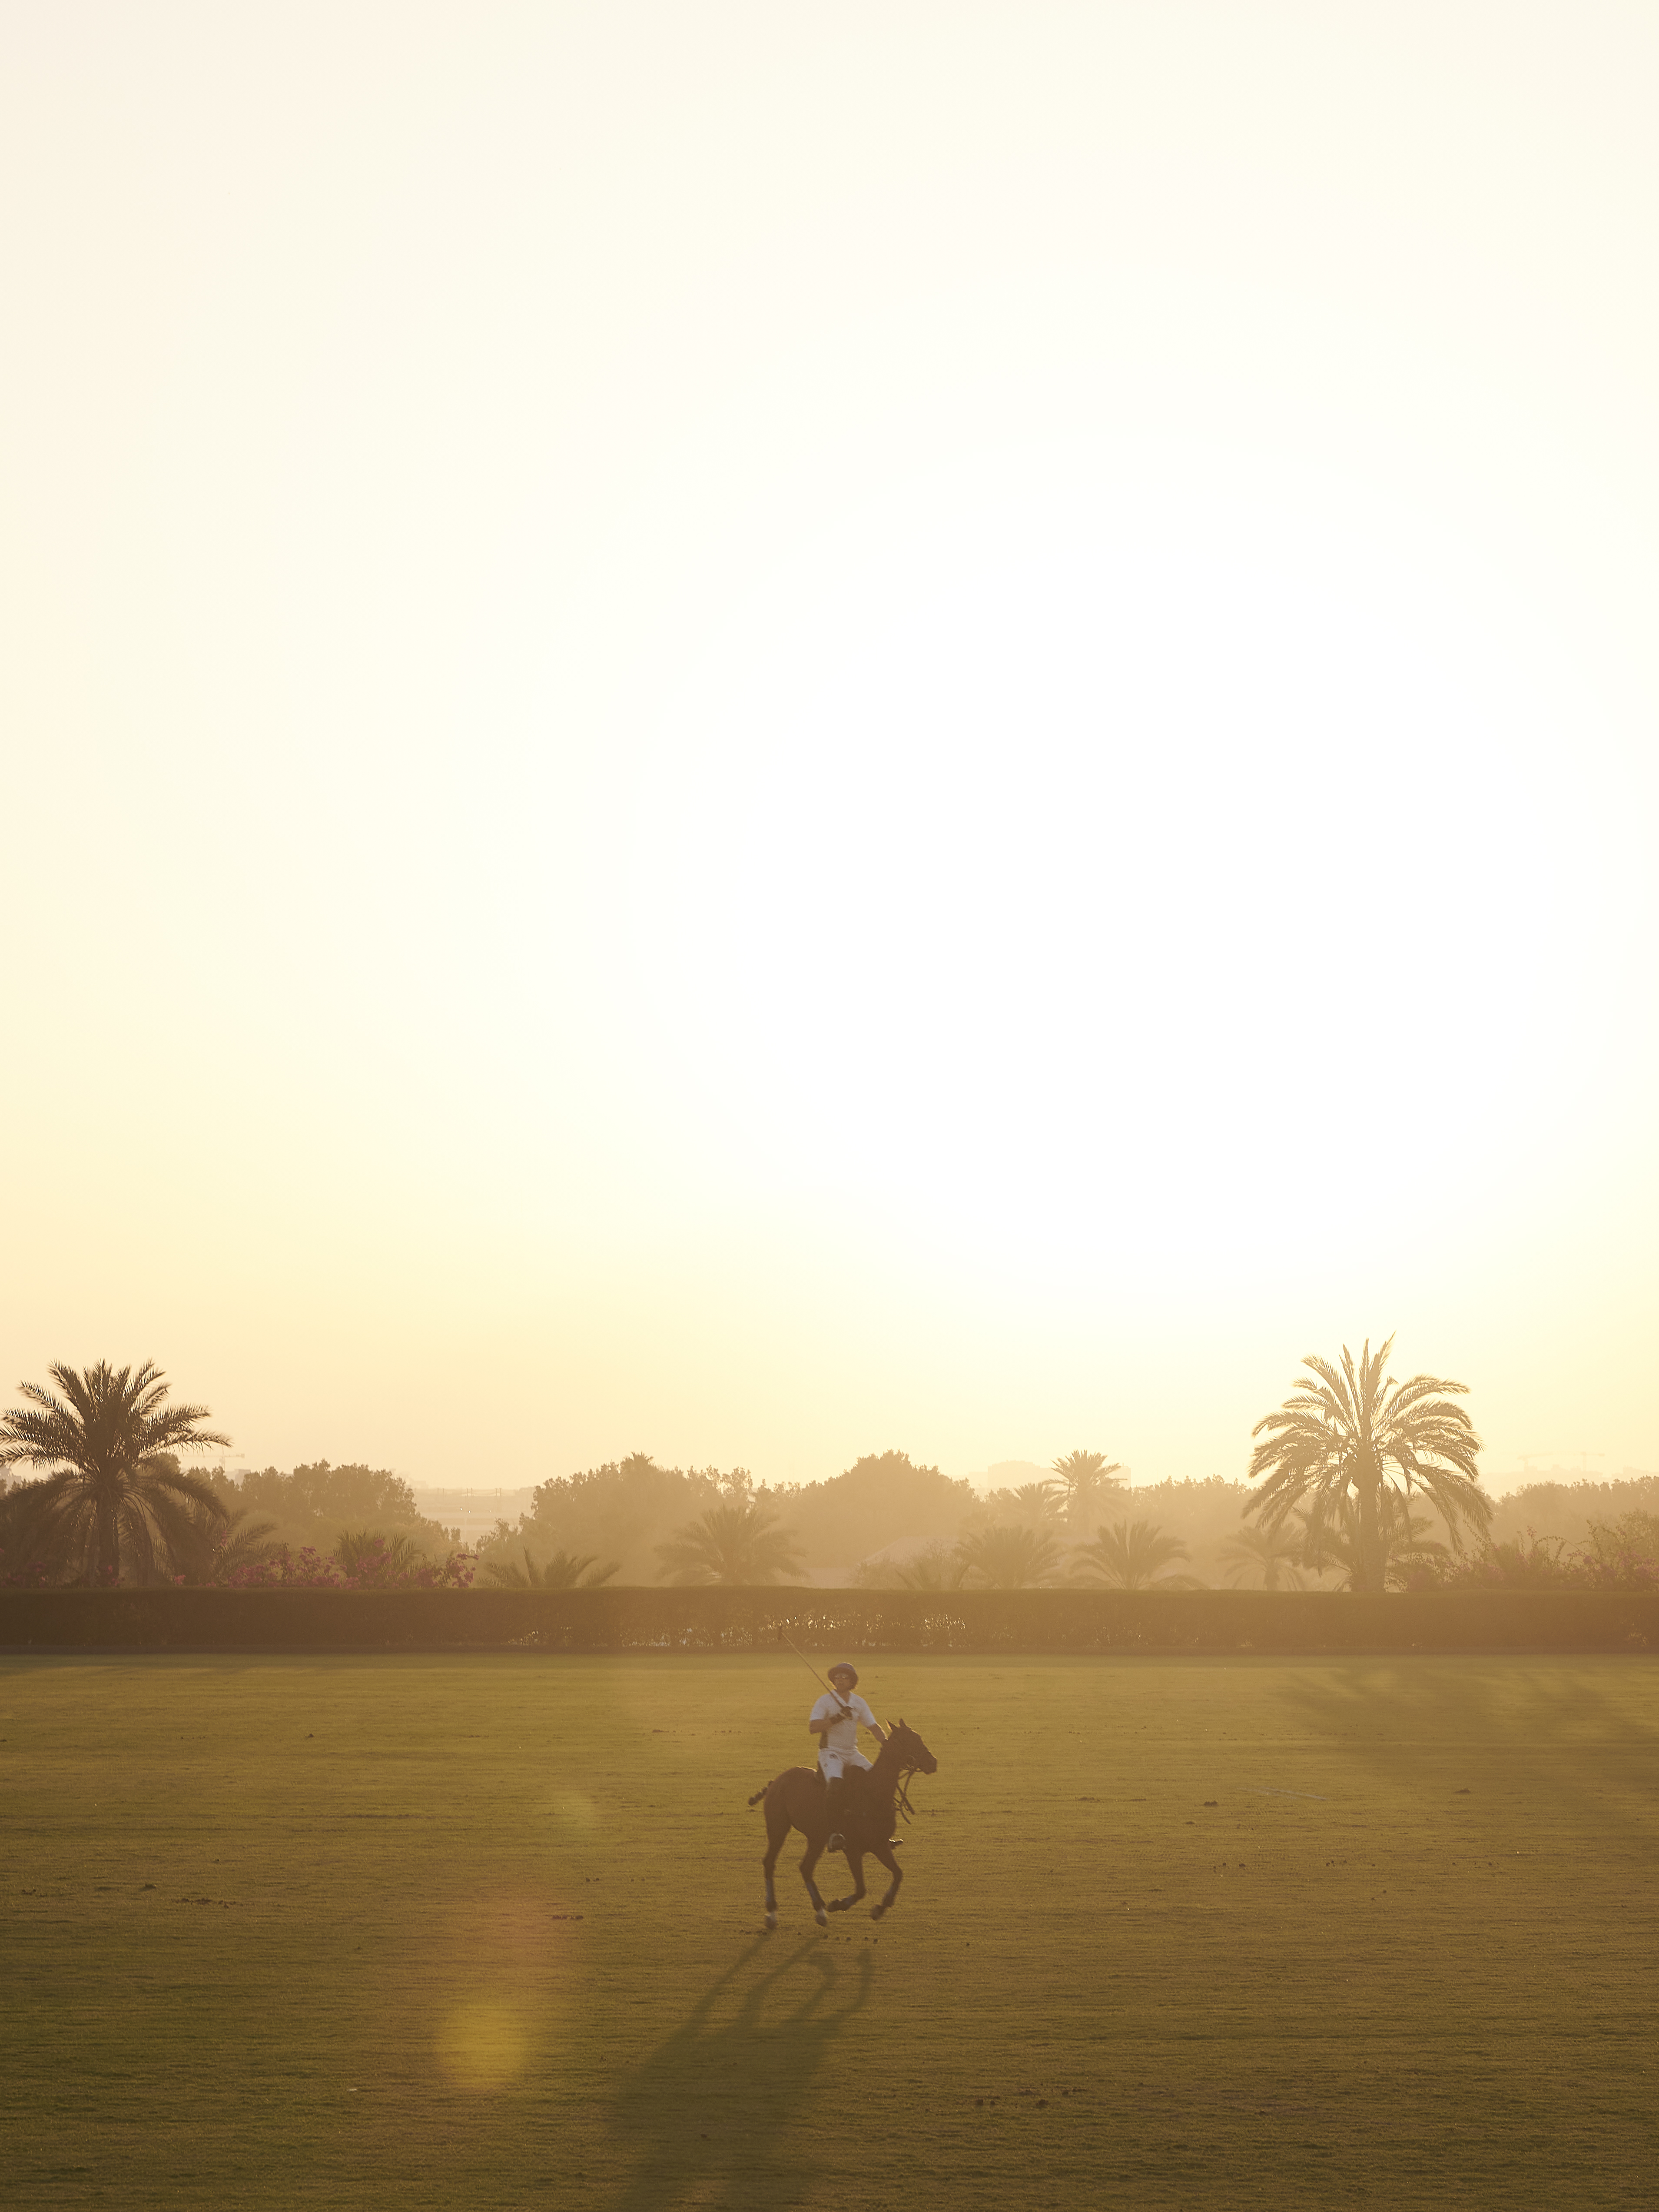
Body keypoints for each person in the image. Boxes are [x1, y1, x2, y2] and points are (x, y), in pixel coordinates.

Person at [809, 1663, 886, 1852]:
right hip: (831, 1752)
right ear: (833, 1680)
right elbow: (813, 1728)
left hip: (852, 1752)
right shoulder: (825, 1701)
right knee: (836, 1785)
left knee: (877, 1781)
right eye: (837, 1676)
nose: (840, 1679)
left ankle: (879, 1832)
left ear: (852, 1682)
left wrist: (886, 1743)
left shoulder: (859, 1703)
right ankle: (835, 1834)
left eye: (845, 1677)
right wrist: (837, 1718)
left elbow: (874, 1727)